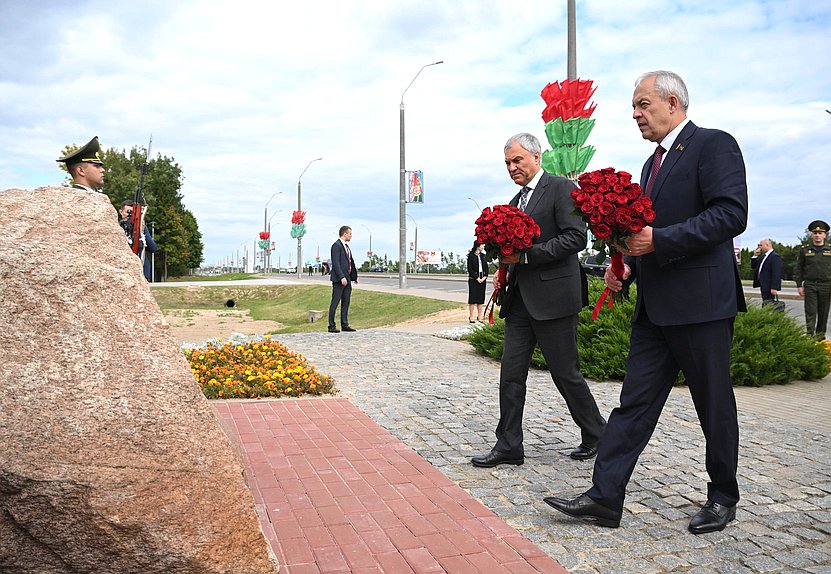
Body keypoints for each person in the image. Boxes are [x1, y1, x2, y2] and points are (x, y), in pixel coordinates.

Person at [543, 71, 749, 534]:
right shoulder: (649, 166)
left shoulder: (713, 145)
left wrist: (659, 241)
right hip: (654, 309)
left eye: (642, 105)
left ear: (672, 102)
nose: (635, 115)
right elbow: (641, 238)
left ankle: (723, 497)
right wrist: (627, 265)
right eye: (634, 107)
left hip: (702, 306)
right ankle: (604, 498)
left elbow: (731, 214)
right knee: (632, 406)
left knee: (712, 406)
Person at [470, 133, 606, 469]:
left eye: (517, 160)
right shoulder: (516, 201)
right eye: (507, 163)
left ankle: (597, 434)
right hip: (520, 302)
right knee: (511, 374)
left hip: (555, 298)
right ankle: (509, 446)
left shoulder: (561, 188)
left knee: (565, 374)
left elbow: (576, 238)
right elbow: (511, 251)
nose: (512, 167)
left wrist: (527, 257)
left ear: (536, 156)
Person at [795, 220, 831, 339]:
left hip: (826, 285)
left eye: (820, 233)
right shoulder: (805, 250)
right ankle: (809, 337)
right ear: (811, 235)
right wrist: (799, 285)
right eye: (815, 233)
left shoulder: (830, 250)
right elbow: (799, 268)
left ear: (825, 235)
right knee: (810, 313)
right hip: (810, 285)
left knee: (823, 313)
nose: (817, 235)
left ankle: (820, 337)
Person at [118, 200, 157, 282]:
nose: (129, 216)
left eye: (133, 213)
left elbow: (153, 248)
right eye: (127, 212)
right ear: (121, 212)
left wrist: (142, 232)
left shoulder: (141, 228)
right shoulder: (117, 228)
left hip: (142, 272)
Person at [328, 226, 358, 333]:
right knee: (335, 302)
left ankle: (344, 324)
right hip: (339, 280)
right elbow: (336, 263)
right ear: (344, 234)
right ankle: (331, 326)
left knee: (346, 302)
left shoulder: (346, 247)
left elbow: (350, 262)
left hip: (348, 279)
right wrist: (341, 277)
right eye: (350, 233)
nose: (351, 235)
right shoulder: (336, 246)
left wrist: (354, 277)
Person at [751, 238, 782, 303]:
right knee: (765, 302)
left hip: (769, 286)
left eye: (761, 245)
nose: (760, 247)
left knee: (769, 304)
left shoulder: (774, 256)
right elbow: (754, 266)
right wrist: (755, 256)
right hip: (763, 285)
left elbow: (776, 273)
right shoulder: (763, 257)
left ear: (767, 245)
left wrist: (774, 287)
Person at [467, 242, 488, 323]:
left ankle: (480, 316)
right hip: (473, 279)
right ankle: (471, 316)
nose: (483, 246)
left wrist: (485, 276)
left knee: (480, 298)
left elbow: (486, 268)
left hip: (482, 279)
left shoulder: (483, 256)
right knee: (472, 298)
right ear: (478, 246)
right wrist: (477, 278)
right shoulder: (471, 256)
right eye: (482, 245)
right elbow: (470, 269)